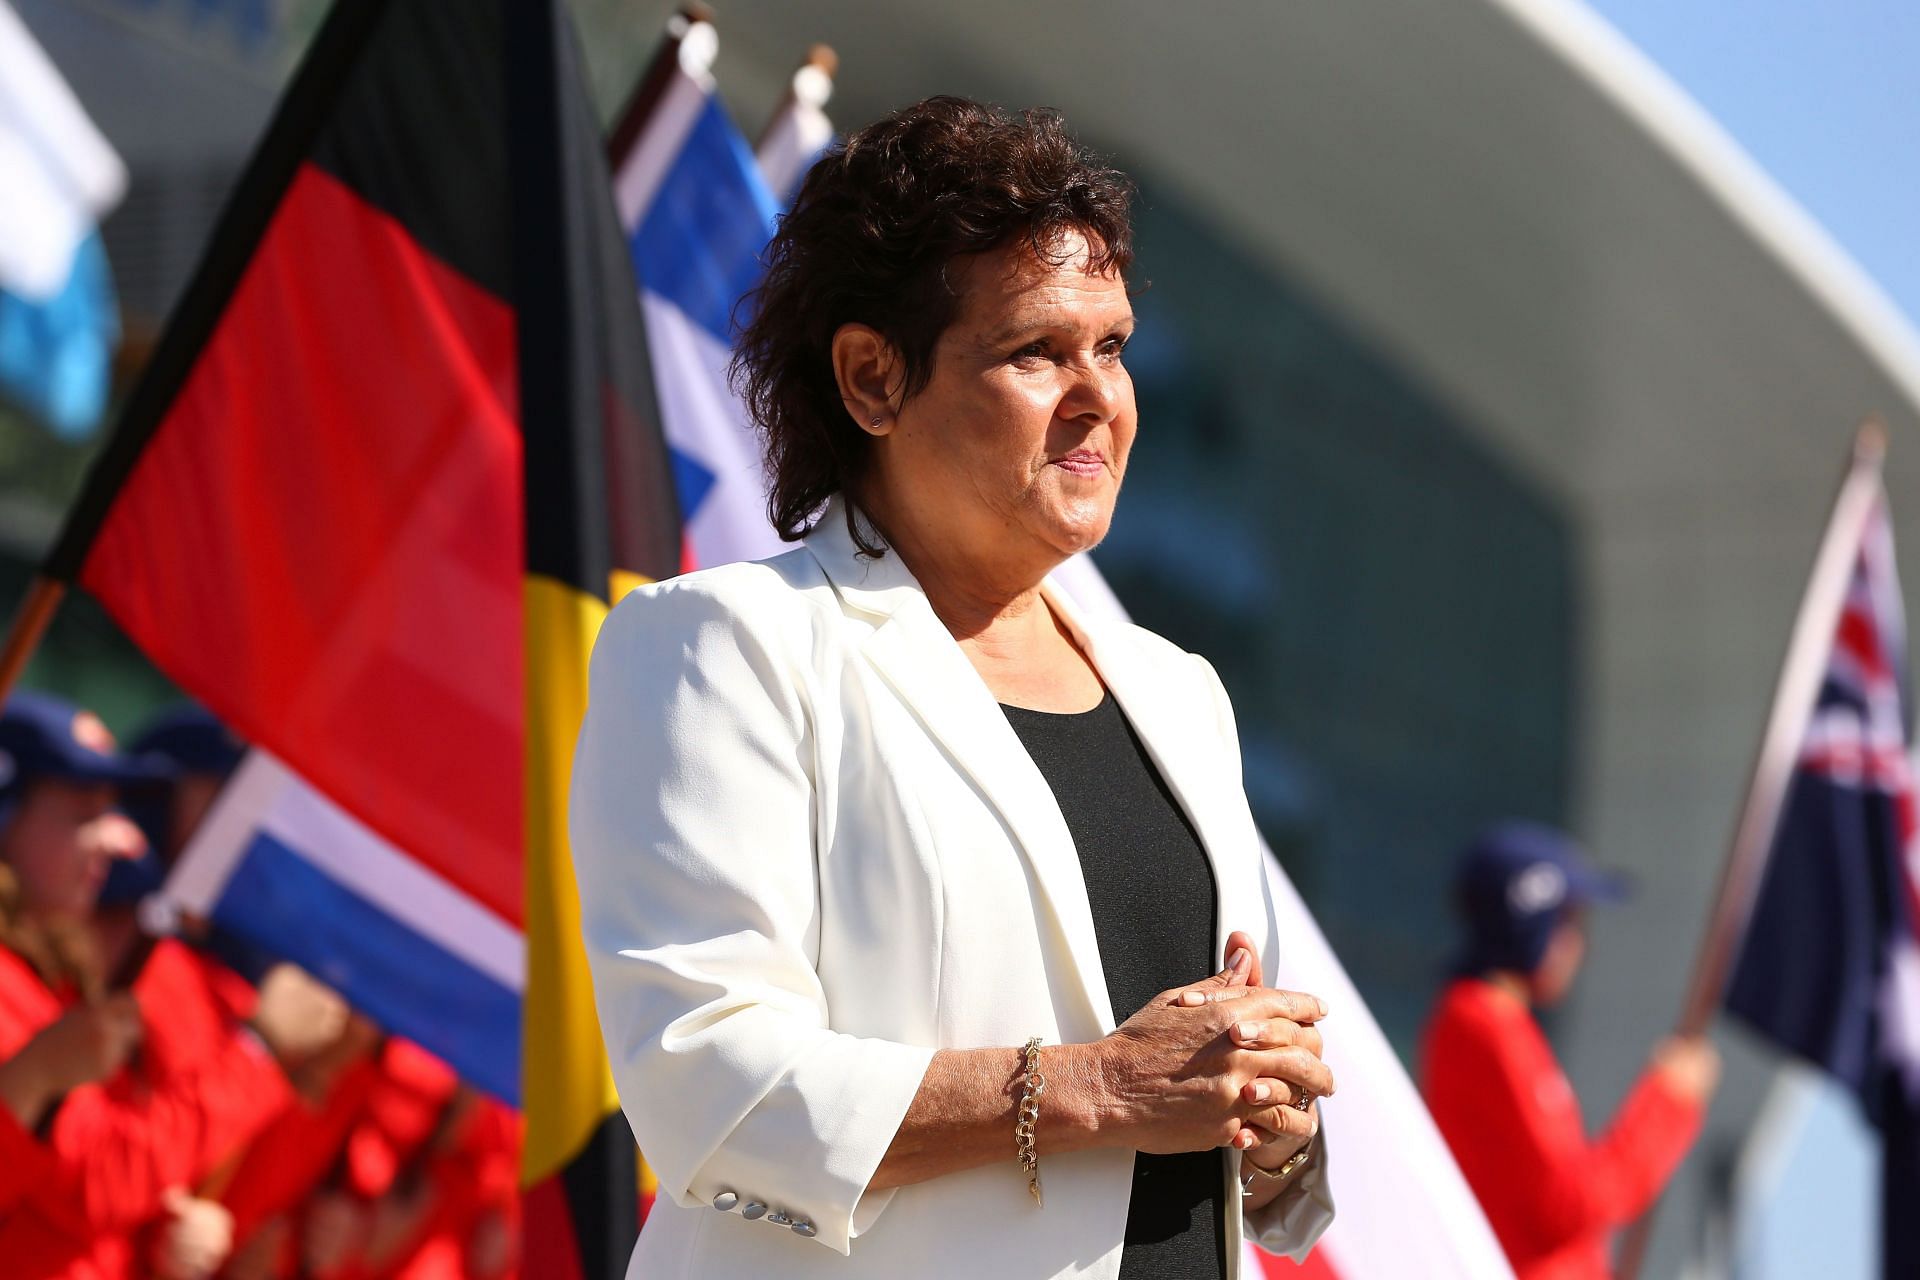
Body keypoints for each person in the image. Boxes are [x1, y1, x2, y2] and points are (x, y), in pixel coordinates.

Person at [571, 97, 1335, 1280]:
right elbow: (702, 1081)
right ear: (873, 379)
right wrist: (1099, 1085)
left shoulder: (1180, 694)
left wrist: (1273, 1123)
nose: (1100, 396)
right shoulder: (726, 645)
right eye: (1038, 350)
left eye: (1115, 346)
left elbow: (1211, 1115)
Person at [0, 691, 342, 1280]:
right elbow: (96, 1183)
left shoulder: (50, 976)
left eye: (111, 811)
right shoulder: (77, 974)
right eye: (83, 814)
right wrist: (259, 1052)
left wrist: (174, 1239)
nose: (118, 839)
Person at [1419, 822, 1721, 1280]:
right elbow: (1568, 1206)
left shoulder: (1486, 1019)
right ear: (1532, 923)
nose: (1578, 944)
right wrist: (1668, 1101)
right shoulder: (1484, 1023)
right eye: (1568, 922)